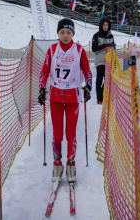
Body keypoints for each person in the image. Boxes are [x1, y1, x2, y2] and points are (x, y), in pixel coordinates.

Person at [38, 18, 92, 183]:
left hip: (73, 96)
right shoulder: (52, 49)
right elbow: (45, 70)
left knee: (70, 134)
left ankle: (71, 164)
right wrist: (41, 87)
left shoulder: (79, 50)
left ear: (73, 33)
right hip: (55, 96)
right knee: (57, 134)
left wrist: (88, 86)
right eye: (62, 32)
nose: (65, 35)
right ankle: (57, 164)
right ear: (58, 33)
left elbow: (87, 70)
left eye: (68, 32)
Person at [92, 17, 115, 104]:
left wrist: (114, 61)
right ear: (101, 25)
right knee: (99, 79)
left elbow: (114, 49)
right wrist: (104, 45)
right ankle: (99, 97)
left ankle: (102, 93)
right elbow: (94, 49)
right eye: (104, 25)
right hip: (100, 61)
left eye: (107, 25)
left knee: (108, 80)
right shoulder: (96, 35)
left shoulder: (111, 36)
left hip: (109, 62)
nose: (105, 27)